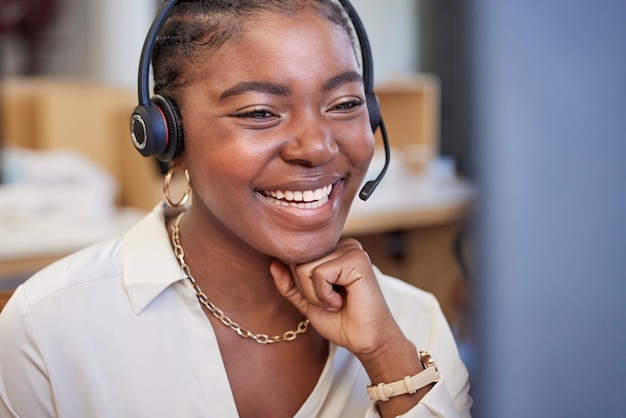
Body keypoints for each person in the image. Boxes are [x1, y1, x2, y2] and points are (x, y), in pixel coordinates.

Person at [0, 1, 472, 417]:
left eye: (345, 103)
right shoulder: (50, 327)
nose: (316, 147)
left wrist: (387, 357)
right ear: (168, 137)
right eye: (260, 112)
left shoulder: (413, 323)